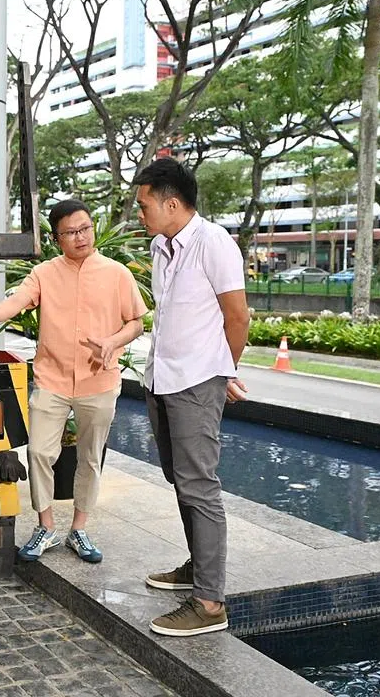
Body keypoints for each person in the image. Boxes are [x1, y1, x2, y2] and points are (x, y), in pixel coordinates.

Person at [0, 199, 146, 565]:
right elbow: (16, 302)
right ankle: (45, 525)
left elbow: (136, 322)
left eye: (85, 229)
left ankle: (80, 527)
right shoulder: (44, 273)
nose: (80, 237)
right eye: (71, 232)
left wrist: (112, 342)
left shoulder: (116, 273)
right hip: (52, 378)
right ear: (57, 237)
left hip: (99, 380)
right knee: (40, 452)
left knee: (90, 458)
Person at [133, 158, 251, 637]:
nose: (140, 214)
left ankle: (209, 602)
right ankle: (196, 568)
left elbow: (237, 317)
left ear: (172, 203)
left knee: (199, 485)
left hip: (196, 382)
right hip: (162, 380)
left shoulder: (214, 242)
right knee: (179, 479)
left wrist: (223, 372)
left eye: (145, 206)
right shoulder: (163, 247)